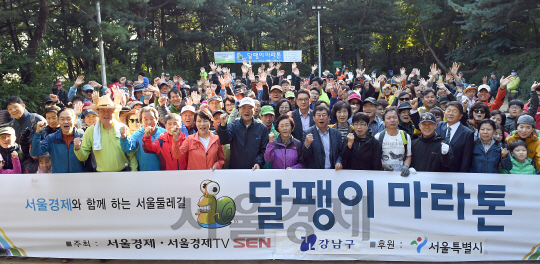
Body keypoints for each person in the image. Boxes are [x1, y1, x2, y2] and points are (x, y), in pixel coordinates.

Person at [74, 96, 138, 172]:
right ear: (98, 112)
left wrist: (134, 173)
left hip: (123, 174)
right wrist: (77, 148)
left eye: (109, 110)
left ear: (114, 112)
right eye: (102, 111)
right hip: (100, 176)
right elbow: (83, 157)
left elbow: (131, 154)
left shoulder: (123, 128)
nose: (106, 113)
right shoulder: (90, 131)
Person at [218, 97, 268, 170]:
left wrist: (258, 163)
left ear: (254, 110)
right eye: (243, 108)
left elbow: (264, 150)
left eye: (250, 108)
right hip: (236, 171)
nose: (246, 111)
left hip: (255, 171)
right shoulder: (233, 126)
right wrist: (223, 126)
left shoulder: (262, 128)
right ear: (239, 110)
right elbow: (224, 140)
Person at [31, 108, 86, 173]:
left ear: (75, 119)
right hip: (58, 179)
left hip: (79, 179)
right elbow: (35, 153)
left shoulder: (83, 137)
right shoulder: (51, 138)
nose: (65, 122)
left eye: (69, 119)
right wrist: (38, 133)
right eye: (62, 119)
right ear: (58, 120)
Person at [120, 107, 166, 171]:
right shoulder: (138, 134)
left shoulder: (164, 132)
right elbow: (127, 148)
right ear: (141, 121)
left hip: (164, 172)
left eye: (152, 119)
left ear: (157, 119)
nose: (149, 122)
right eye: (145, 119)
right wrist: (123, 137)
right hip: (146, 172)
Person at [435, 101, 475, 172]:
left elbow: (466, 159)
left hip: (455, 174)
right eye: (449, 111)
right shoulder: (438, 126)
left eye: (454, 111)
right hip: (436, 171)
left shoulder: (467, 133)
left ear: (460, 116)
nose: (450, 113)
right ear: (444, 113)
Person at [302, 105, 343, 170]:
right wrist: (306, 145)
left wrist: (339, 161)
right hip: (315, 174)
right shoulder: (307, 133)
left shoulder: (336, 134)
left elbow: (341, 153)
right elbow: (304, 157)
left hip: (333, 173)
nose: (321, 118)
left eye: (324, 115)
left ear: (329, 117)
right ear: (314, 118)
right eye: (318, 115)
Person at [375, 108, 412, 176]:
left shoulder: (406, 136)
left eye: (395, 117)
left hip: (401, 175)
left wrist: (406, 166)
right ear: (384, 122)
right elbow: (375, 158)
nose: (392, 120)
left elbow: (408, 156)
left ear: (398, 120)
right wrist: (384, 165)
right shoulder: (378, 137)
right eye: (388, 118)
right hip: (383, 175)